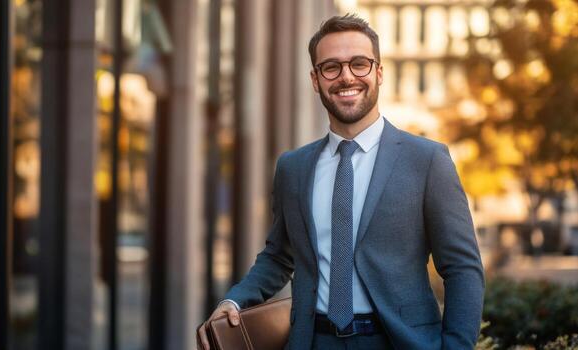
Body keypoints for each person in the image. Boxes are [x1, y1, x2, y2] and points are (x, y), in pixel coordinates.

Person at [197, 14, 484, 350]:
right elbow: (278, 256)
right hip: (313, 341)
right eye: (331, 67)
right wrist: (234, 300)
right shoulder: (293, 167)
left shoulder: (427, 161)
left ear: (378, 73)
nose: (346, 76)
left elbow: (462, 268)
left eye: (359, 64)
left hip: (398, 341)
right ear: (316, 79)